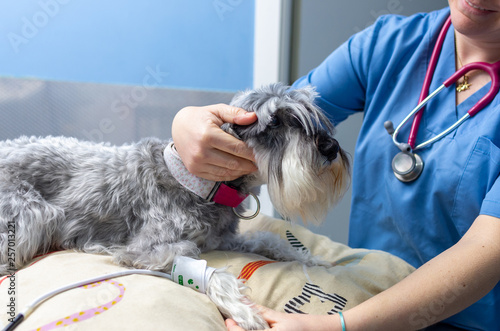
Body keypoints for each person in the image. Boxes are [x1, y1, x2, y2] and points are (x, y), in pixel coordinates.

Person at [172, 1, 500, 330]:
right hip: (364, 289)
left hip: (461, 321)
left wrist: (337, 327)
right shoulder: (390, 44)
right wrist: (188, 126)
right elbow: (273, 121)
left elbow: (486, 250)